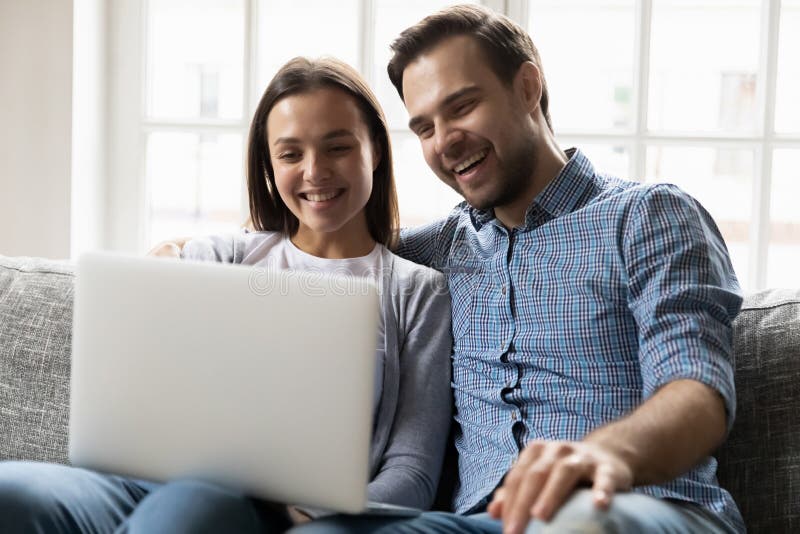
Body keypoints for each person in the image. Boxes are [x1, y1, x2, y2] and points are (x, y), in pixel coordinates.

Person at [287, 5, 745, 534]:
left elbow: (699, 390)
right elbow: (313, 258)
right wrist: (196, 252)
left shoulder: (647, 216)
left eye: (462, 107)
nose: (444, 141)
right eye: (424, 128)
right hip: (487, 523)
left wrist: (601, 454)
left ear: (528, 87)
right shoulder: (431, 254)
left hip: (642, 508)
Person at [0, 57, 453, 533]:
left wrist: (308, 518)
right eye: (290, 154)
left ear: (375, 150)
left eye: (337, 147)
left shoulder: (416, 292)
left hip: (259, 510)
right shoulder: (224, 257)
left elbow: (413, 471)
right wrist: (163, 265)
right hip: (137, 483)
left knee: (193, 510)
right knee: (13, 491)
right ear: (269, 164)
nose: (315, 171)